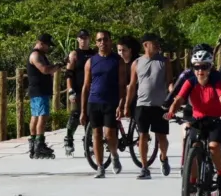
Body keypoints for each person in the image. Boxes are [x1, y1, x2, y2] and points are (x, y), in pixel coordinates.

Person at [165, 49, 221, 192]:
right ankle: (192, 181)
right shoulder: (190, 82)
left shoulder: (216, 81)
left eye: (204, 67)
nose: (200, 70)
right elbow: (179, 98)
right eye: (196, 67)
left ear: (210, 68)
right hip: (198, 120)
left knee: (214, 147)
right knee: (194, 147)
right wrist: (171, 111)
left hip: (218, 120)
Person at [124, 34, 172, 179]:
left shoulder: (164, 61)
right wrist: (126, 105)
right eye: (154, 43)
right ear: (146, 45)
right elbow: (132, 86)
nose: (157, 45)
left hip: (160, 106)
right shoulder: (136, 63)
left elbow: (169, 82)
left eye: (158, 43)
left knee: (161, 137)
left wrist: (173, 96)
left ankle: (163, 158)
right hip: (142, 105)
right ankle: (145, 168)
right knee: (142, 136)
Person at [81, 30, 127, 177]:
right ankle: (100, 167)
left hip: (111, 102)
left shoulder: (117, 61)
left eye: (105, 39)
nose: (102, 43)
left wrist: (121, 104)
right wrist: (82, 110)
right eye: (99, 40)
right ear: (96, 43)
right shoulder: (91, 61)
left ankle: (114, 155)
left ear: (110, 41)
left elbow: (122, 84)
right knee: (96, 134)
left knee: (109, 135)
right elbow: (86, 86)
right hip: (94, 102)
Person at [26, 33, 65, 158]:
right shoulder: (35, 55)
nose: (48, 48)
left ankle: (33, 144)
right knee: (42, 116)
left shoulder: (41, 55)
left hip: (38, 90)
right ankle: (39, 144)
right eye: (47, 45)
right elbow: (45, 70)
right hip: (39, 90)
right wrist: (59, 65)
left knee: (36, 116)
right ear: (41, 43)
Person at [63, 29, 96, 156]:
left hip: (91, 90)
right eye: (81, 38)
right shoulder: (74, 54)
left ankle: (88, 141)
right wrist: (70, 90)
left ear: (89, 39)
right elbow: (68, 74)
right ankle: (69, 139)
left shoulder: (94, 54)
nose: (83, 40)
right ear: (78, 39)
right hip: (77, 89)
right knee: (75, 115)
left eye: (86, 38)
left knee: (90, 116)